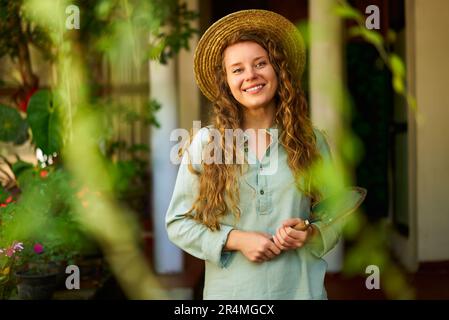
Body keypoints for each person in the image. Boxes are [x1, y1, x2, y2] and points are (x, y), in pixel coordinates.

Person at [166, 9, 340, 299]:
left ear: (278, 70)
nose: (251, 76)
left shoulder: (310, 141)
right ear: (227, 83)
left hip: (301, 292)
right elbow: (178, 223)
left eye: (261, 63)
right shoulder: (206, 144)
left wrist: (310, 233)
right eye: (237, 69)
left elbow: (334, 214)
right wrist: (235, 239)